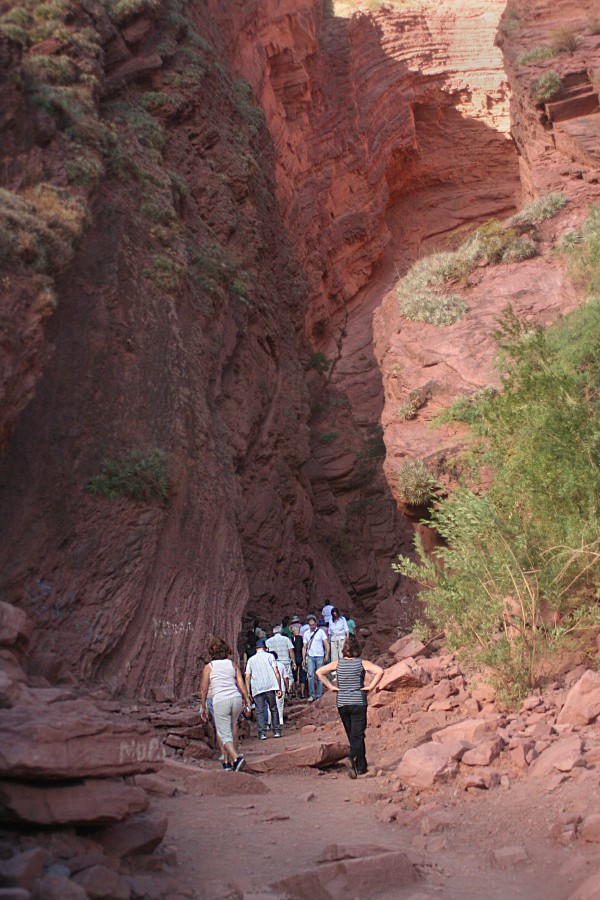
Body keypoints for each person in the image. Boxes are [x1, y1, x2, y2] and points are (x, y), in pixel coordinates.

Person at [316, 635, 383, 778]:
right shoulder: (362, 663)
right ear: (357, 650)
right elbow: (380, 671)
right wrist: (370, 686)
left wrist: (331, 687)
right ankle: (352, 757)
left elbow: (319, 672)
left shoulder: (337, 664)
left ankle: (361, 766)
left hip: (342, 703)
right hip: (358, 701)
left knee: (353, 735)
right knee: (358, 734)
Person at [200, 637, 251, 772]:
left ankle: (234, 758)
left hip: (220, 699)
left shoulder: (209, 667)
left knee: (223, 732)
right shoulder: (232, 664)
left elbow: (204, 688)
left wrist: (203, 705)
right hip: (235, 697)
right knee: (233, 726)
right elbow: (240, 683)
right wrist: (247, 700)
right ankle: (229, 762)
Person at [245, 639, 283, 739]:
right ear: (265, 648)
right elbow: (276, 672)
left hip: (257, 688)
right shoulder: (270, 656)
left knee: (259, 711)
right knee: (273, 709)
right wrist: (279, 688)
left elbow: (247, 676)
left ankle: (262, 733)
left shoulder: (251, 660)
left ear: (256, 649)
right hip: (270, 686)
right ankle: (277, 731)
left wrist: (248, 692)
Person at [302, 615, 330, 702]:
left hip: (319, 656)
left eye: (313, 624)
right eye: (310, 625)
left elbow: (326, 643)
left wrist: (327, 654)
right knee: (310, 675)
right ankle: (311, 694)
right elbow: (304, 647)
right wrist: (304, 659)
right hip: (310, 656)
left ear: (316, 624)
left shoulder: (320, 632)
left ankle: (318, 695)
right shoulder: (306, 633)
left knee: (319, 675)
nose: (312, 626)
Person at [290, 617, 306, 699]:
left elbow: (291, 650)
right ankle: (302, 693)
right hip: (301, 657)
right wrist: (304, 659)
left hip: (294, 659)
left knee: (294, 676)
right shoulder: (302, 639)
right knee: (302, 675)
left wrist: (293, 661)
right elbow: (304, 648)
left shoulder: (291, 639)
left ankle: (294, 693)